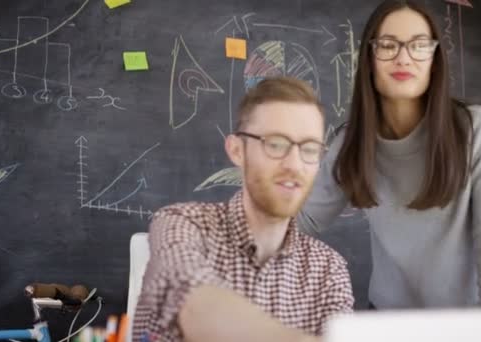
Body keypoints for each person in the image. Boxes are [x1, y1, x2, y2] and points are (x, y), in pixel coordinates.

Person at [298, 0, 481, 309]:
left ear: (434, 58)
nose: (404, 58)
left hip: (466, 323)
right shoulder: (351, 141)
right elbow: (304, 220)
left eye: (419, 45)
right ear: (370, 58)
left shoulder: (473, 129)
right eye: (388, 45)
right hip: (388, 322)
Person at [132, 77, 354, 342]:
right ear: (237, 150)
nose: (294, 164)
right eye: (276, 144)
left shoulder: (329, 270)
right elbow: (194, 306)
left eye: (309, 149)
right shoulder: (180, 223)